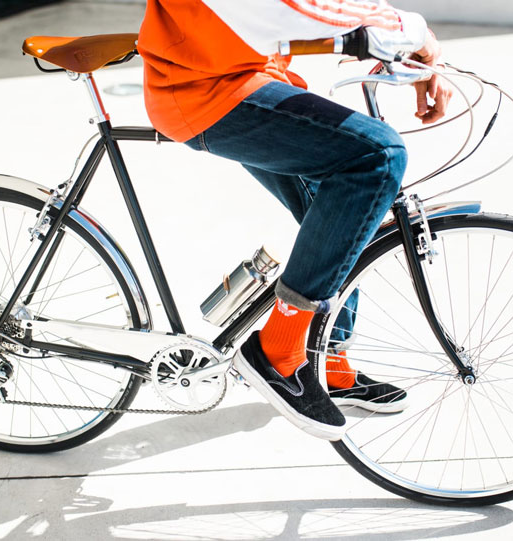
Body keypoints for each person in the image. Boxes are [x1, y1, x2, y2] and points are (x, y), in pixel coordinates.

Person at [138, 0, 452, 441]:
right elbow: (294, 9)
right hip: (205, 86)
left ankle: (328, 361)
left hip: (241, 76)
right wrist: (412, 32)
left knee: (339, 211)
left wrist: (397, 41)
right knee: (377, 156)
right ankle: (278, 349)